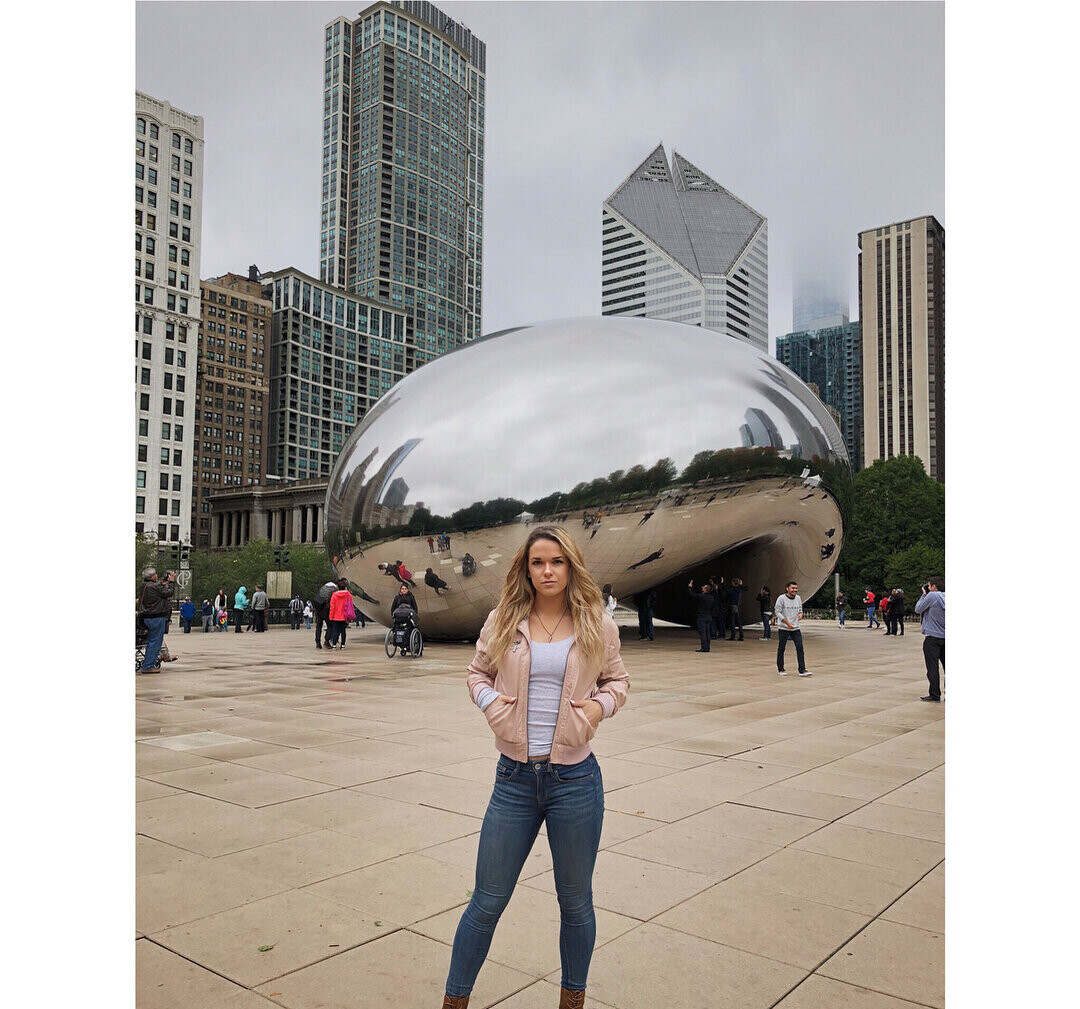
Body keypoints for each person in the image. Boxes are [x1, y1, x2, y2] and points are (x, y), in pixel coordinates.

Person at [441, 525, 629, 1009]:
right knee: (486, 901)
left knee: (576, 903)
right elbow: (477, 672)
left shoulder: (597, 623)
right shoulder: (504, 618)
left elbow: (618, 681)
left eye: (557, 562)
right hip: (514, 781)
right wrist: (491, 704)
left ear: (571, 566)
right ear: (526, 570)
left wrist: (599, 707)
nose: (548, 571)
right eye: (538, 562)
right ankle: (454, 1002)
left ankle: (572, 1001)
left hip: (575, 781)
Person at [138, 568, 175, 673]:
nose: (156, 575)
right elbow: (169, 592)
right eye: (155, 574)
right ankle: (148, 666)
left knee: (151, 641)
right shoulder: (155, 586)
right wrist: (171, 582)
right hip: (156, 617)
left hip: (147, 617)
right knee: (155, 642)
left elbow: (158, 587)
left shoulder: (144, 585)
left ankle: (149, 664)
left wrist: (164, 581)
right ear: (151, 577)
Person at [914, 578, 945, 701]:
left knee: (932, 668)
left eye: (928, 586)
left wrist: (924, 595)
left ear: (934, 587)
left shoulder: (932, 596)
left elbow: (918, 609)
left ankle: (935, 694)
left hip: (932, 638)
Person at [773, 581, 811, 677]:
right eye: (793, 588)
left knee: (800, 648)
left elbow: (800, 609)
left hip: (795, 628)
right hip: (784, 627)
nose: (795, 590)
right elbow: (777, 612)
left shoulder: (798, 598)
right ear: (787, 589)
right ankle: (780, 668)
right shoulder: (781, 598)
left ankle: (802, 669)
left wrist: (800, 614)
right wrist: (786, 623)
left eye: (796, 588)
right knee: (782, 648)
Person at [686, 580, 715, 652]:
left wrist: (689, 587)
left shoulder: (702, 596)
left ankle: (704, 647)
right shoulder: (711, 597)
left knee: (702, 633)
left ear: (705, 589)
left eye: (703, 587)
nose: (702, 587)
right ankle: (707, 647)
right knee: (707, 633)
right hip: (708, 616)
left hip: (702, 616)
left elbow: (692, 595)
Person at [313, 579, 338, 649]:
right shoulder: (334, 589)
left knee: (318, 626)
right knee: (330, 625)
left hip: (318, 608)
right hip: (326, 609)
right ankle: (326, 641)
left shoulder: (323, 588)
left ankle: (318, 643)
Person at [328, 578, 351, 649]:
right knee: (343, 631)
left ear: (338, 587)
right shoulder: (348, 594)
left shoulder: (334, 595)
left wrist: (331, 616)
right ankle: (343, 645)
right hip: (345, 616)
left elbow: (332, 607)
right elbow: (350, 605)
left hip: (336, 616)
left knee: (335, 631)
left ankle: (334, 645)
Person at [726, 576, 745, 641]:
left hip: (733, 605)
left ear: (734, 583)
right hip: (737, 605)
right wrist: (741, 585)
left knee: (732, 621)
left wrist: (723, 584)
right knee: (738, 621)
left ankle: (733, 635)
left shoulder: (733, 589)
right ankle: (741, 635)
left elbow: (728, 591)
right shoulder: (739, 589)